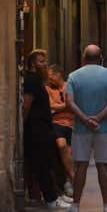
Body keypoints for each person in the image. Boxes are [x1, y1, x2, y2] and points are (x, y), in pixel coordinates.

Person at [65, 45, 107, 212]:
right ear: (101, 58)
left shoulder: (73, 76)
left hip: (81, 129)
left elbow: (69, 102)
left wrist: (85, 119)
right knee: (103, 166)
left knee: (80, 166)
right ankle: (106, 206)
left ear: (84, 58)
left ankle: (75, 206)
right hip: (104, 128)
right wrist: (98, 117)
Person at [22, 49, 72, 210]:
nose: (45, 65)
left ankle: (56, 194)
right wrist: (23, 124)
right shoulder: (31, 80)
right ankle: (51, 199)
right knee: (42, 165)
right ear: (32, 64)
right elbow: (27, 105)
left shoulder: (37, 80)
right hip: (37, 129)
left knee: (51, 162)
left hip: (45, 127)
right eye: (41, 62)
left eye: (45, 61)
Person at [46, 65, 76, 196]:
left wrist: (62, 107)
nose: (49, 78)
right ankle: (74, 178)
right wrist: (66, 105)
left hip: (72, 123)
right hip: (57, 123)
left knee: (70, 152)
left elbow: (75, 104)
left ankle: (69, 182)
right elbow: (51, 106)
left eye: (51, 75)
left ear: (59, 75)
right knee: (61, 145)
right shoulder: (47, 89)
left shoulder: (69, 86)